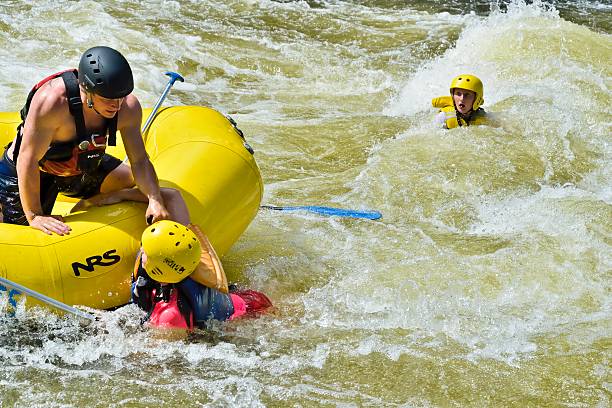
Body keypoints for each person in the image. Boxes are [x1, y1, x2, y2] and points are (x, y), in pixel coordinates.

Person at [0, 46, 170, 235]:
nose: (117, 105)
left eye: (121, 97)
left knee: (125, 178)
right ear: (86, 90)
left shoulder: (127, 107)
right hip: (31, 170)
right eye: (108, 99)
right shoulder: (53, 102)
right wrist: (34, 215)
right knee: (21, 234)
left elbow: (139, 160)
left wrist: (155, 199)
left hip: (74, 168)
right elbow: (27, 159)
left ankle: (91, 203)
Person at [132, 220, 273, 330]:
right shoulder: (179, 268)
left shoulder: (171, 316)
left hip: (251, 311)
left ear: (159, 268)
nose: (141, 249)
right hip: (248, 299)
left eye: (145, 251)